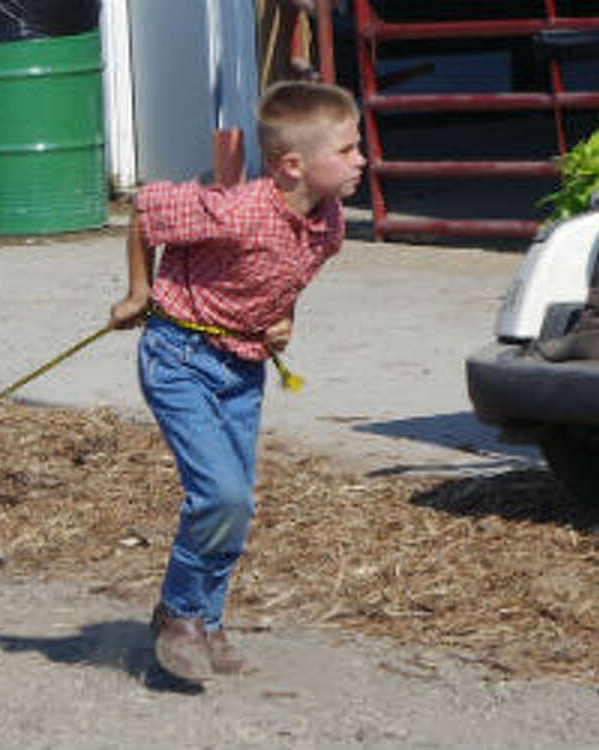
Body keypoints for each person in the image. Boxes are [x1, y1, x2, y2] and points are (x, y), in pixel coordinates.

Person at [107, 80, 366, 682]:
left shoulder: (329, 224)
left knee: (236, 502)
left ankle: (208, 620)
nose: (362, 159)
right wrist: (139, 292)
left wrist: (284, 319)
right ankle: (177, 613)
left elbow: (288, 281)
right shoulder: (238, 208)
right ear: (293, 165)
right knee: (220, 494)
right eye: (348, 150)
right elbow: (146, 209)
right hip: (181, 356)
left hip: (243, 366)